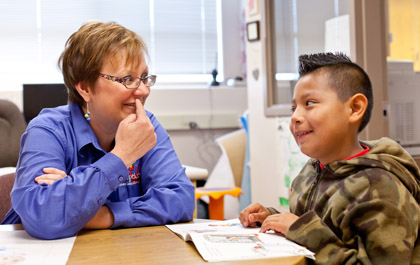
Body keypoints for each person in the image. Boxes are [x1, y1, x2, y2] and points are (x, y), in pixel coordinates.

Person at [1, 21, 195, 239]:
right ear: (84, 87)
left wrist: (101, 215)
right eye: (127, 79)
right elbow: (44, 217)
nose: (143, 90)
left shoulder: (146, 126)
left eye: (144, 78)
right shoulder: (47, 129)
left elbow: (181, 200)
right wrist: (122, 156)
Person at [239, 52, 420, 264]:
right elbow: (319, 228)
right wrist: (272, 218)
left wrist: (301, 229)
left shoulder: (379, 188)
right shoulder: (311, 169)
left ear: (354, 109)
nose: (295, 117)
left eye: (310, 103)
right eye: (293, 107)